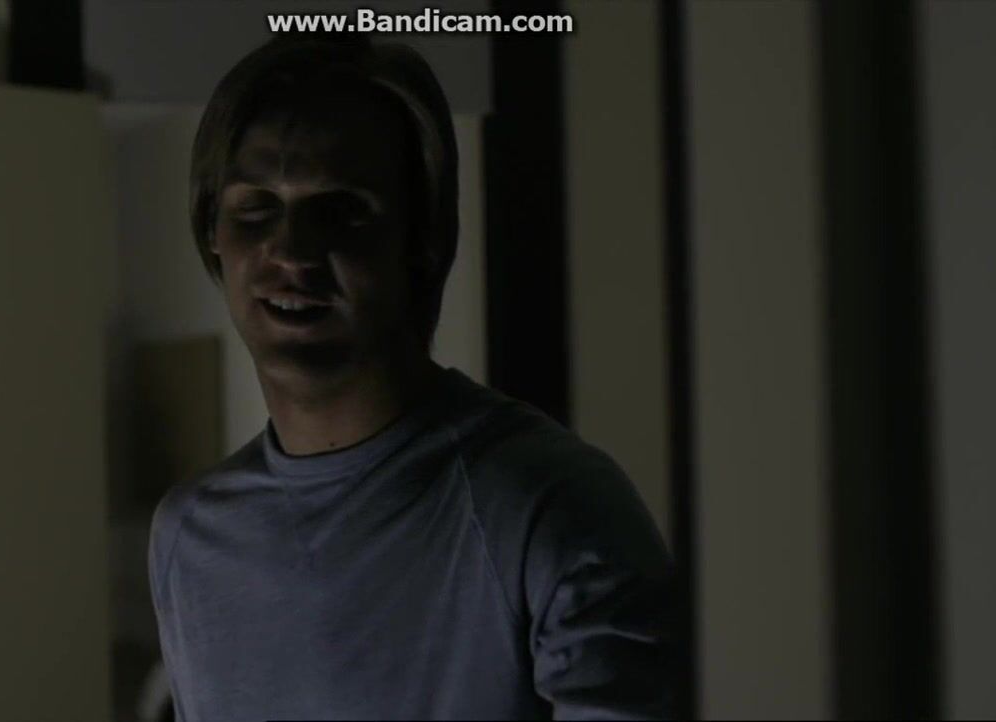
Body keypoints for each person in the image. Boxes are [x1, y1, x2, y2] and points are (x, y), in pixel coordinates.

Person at [149, 34, 675, 721]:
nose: (292, 251)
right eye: (256, 208)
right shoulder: (189, 537)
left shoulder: (548, 506)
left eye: (341, 209)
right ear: (213, 232)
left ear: (419, 237)